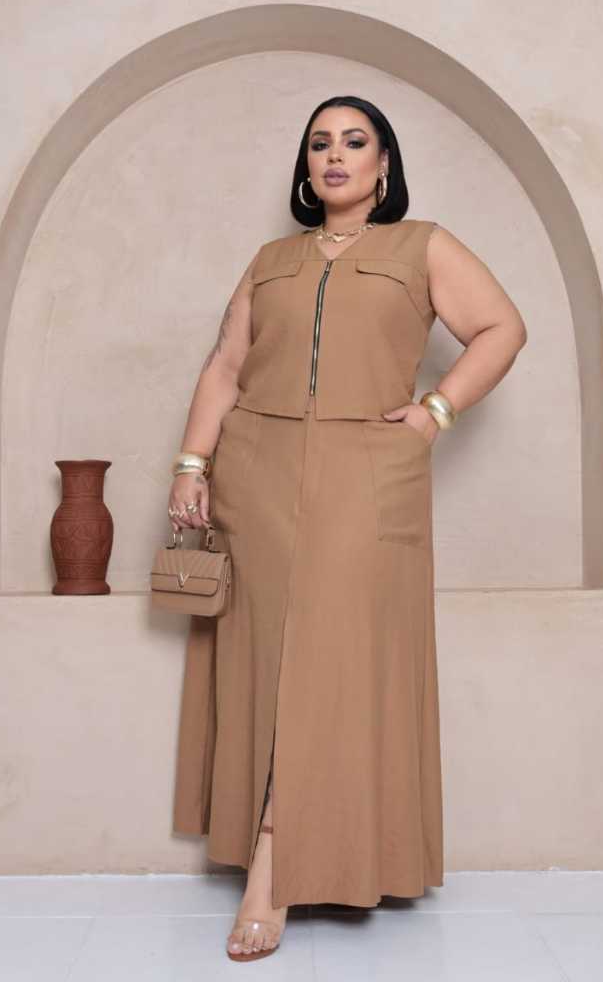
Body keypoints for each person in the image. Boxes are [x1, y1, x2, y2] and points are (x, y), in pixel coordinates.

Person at [167, 96, 527, 961]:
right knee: (266, 662)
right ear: (306, 167)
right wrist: (191, 464)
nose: (335, 155)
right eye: (320, 143)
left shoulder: (422, 246)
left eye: (354, 142)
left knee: (333, 666)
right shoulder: (271, 260)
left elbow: (502, 329)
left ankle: (273, 865)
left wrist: (435, 411)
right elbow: (225, 366)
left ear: (383, 165)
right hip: (256, 474)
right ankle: (275, 847)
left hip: (369, 474)